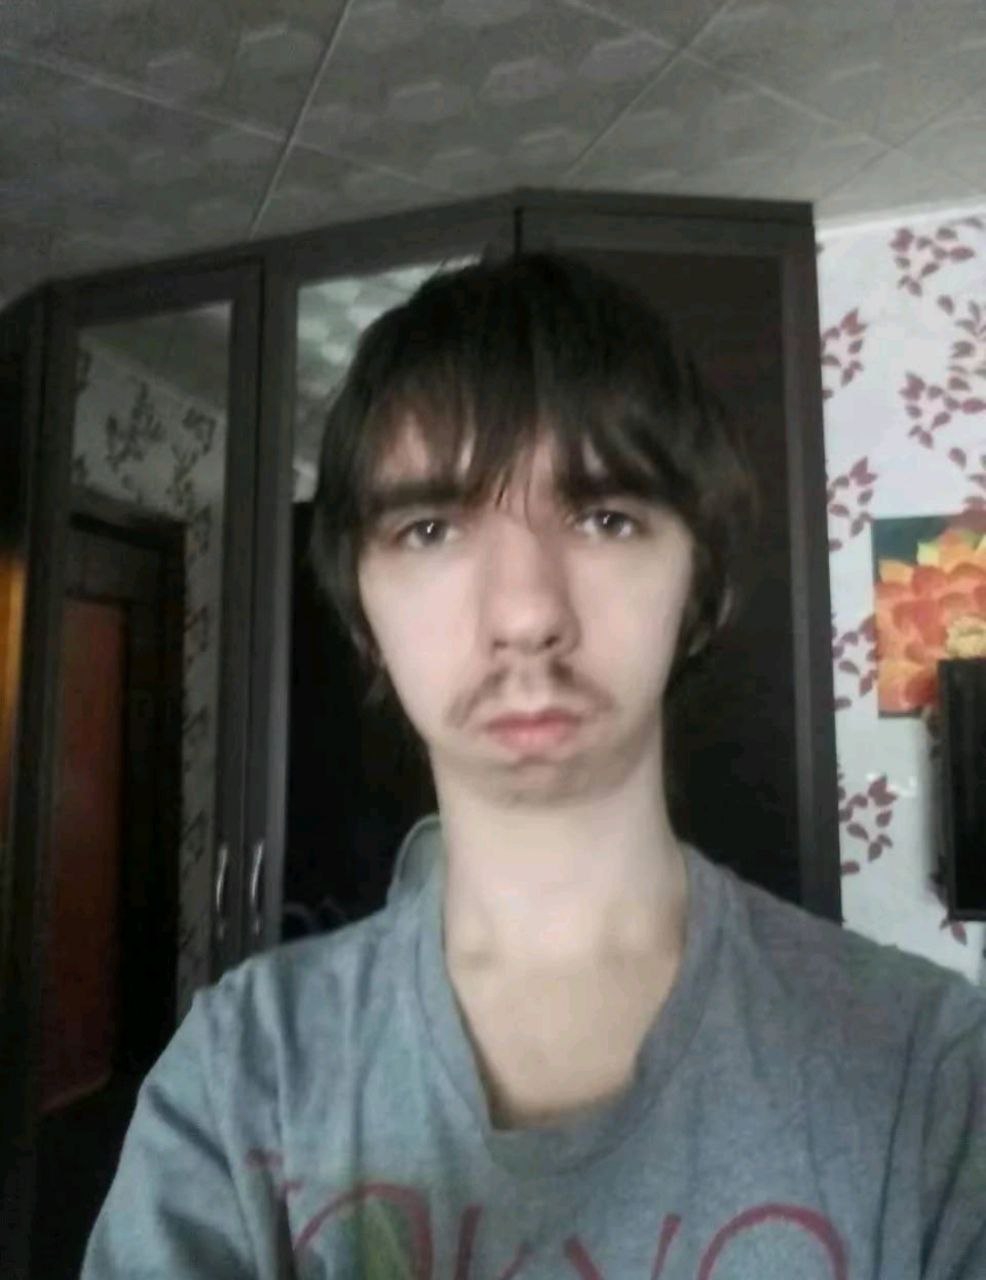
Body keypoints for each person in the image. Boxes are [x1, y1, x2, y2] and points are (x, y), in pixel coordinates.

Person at [82, 253, 986, 1278]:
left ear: (697, 588)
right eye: (430, 529)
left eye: (605, 518)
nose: (524, 613)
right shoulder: (239, 1076)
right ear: (362, 615)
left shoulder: (929, 1075)